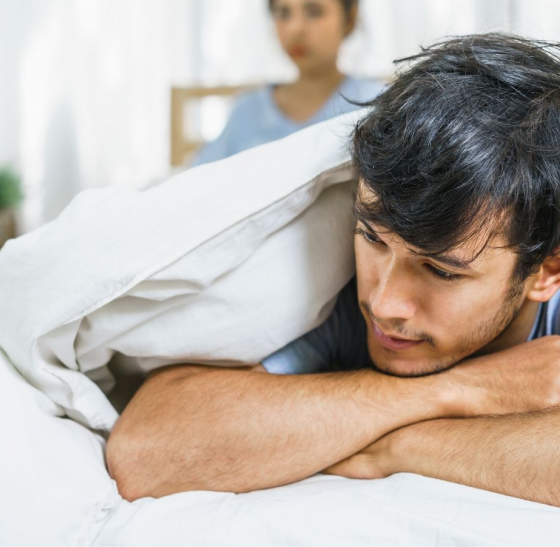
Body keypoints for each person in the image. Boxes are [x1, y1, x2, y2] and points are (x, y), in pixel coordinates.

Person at [107, 33, 560, 508]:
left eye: (442, 272)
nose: (383, 305)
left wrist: (393, 446)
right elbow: (144, 452)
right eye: (372, 238)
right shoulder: (334, 295)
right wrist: (460, 389)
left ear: (546, 272)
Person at [191, 0, 383, 166]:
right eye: (282, 13)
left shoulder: (377, 105)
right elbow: (198, 186)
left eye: (313, 11)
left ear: (348, 19)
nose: (295, 29)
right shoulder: (247, 113)